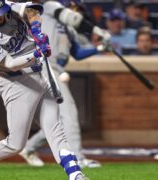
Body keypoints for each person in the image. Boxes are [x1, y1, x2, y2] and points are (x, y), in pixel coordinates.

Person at [0, 0, 88, 180]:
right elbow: (11, 64)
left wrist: (36, 29)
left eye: (1, 11)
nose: (0, 16)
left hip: (40, 74)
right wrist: (36, 52)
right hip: (17, 83)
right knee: (16, 144)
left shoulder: (6, 7)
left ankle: (75, 174)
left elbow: (32, 10)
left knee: (55, 129)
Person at [18, 0, 110, 168]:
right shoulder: (52, 7)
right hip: (43, 65)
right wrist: (98, 31)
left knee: (59, 119)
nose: (78, 12)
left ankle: (29, 148)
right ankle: (78, 159)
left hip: (54, 70)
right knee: (70, 113)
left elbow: (77, 53)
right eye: (76, 8)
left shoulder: (69, 30)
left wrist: (100, 48)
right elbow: (74, 19)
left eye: (80, 9)